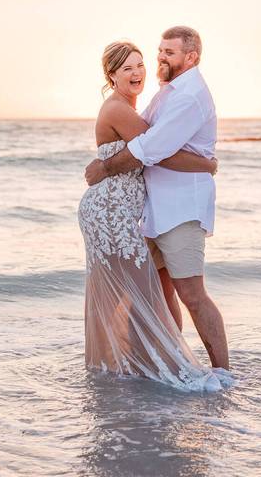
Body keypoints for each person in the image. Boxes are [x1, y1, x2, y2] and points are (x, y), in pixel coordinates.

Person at [78, 40, 224, 391]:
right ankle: (156, 368)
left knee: (145, 292)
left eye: (139, 65)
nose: (137, 72)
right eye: (126, 68)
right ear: (111, 75)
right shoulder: (117, 109)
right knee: (138, 292)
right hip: (110, 214)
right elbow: (159, 153)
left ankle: (138, 369)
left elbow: (152, 151)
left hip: (130, 213)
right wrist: (207, 165)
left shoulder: (138, 104)